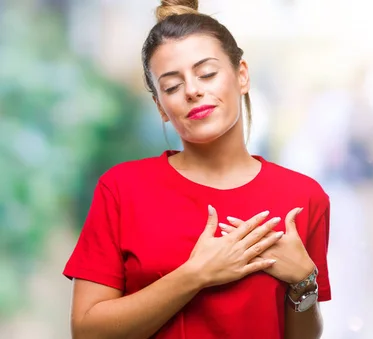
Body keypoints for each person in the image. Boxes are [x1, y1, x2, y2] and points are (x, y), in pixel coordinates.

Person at [62, 1, 331, 338]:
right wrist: (196, 274)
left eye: (207, 73)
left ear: (242, 75)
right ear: (161, 106)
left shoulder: (303, 197)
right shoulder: (122, 189)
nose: (192, 90)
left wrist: (305, 281)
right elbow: (87, 332)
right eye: (172, 87)